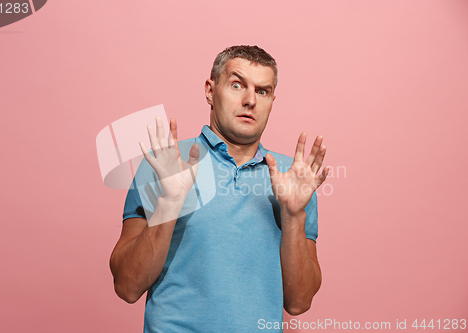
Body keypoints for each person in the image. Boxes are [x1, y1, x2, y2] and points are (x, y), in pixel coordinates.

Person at [110, 45, 330, 332]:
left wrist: (293, 216)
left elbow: (299, 303)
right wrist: (170, 201)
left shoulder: (293, 177)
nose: (250, 100)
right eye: (237, 85)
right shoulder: (166, 164)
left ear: (272, 101)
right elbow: (127, 287)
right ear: (210, 91)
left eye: (262, 91)